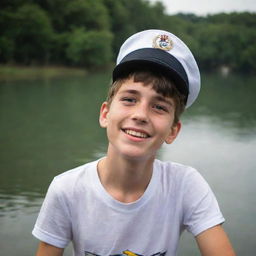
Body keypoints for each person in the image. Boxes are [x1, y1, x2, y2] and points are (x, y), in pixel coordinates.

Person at [32, 29, 236, 256]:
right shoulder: (67, 189)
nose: (140, 115)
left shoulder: (185, 185)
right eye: (129, 99)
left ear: (172, 131)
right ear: (105, 114)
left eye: (159, 107)